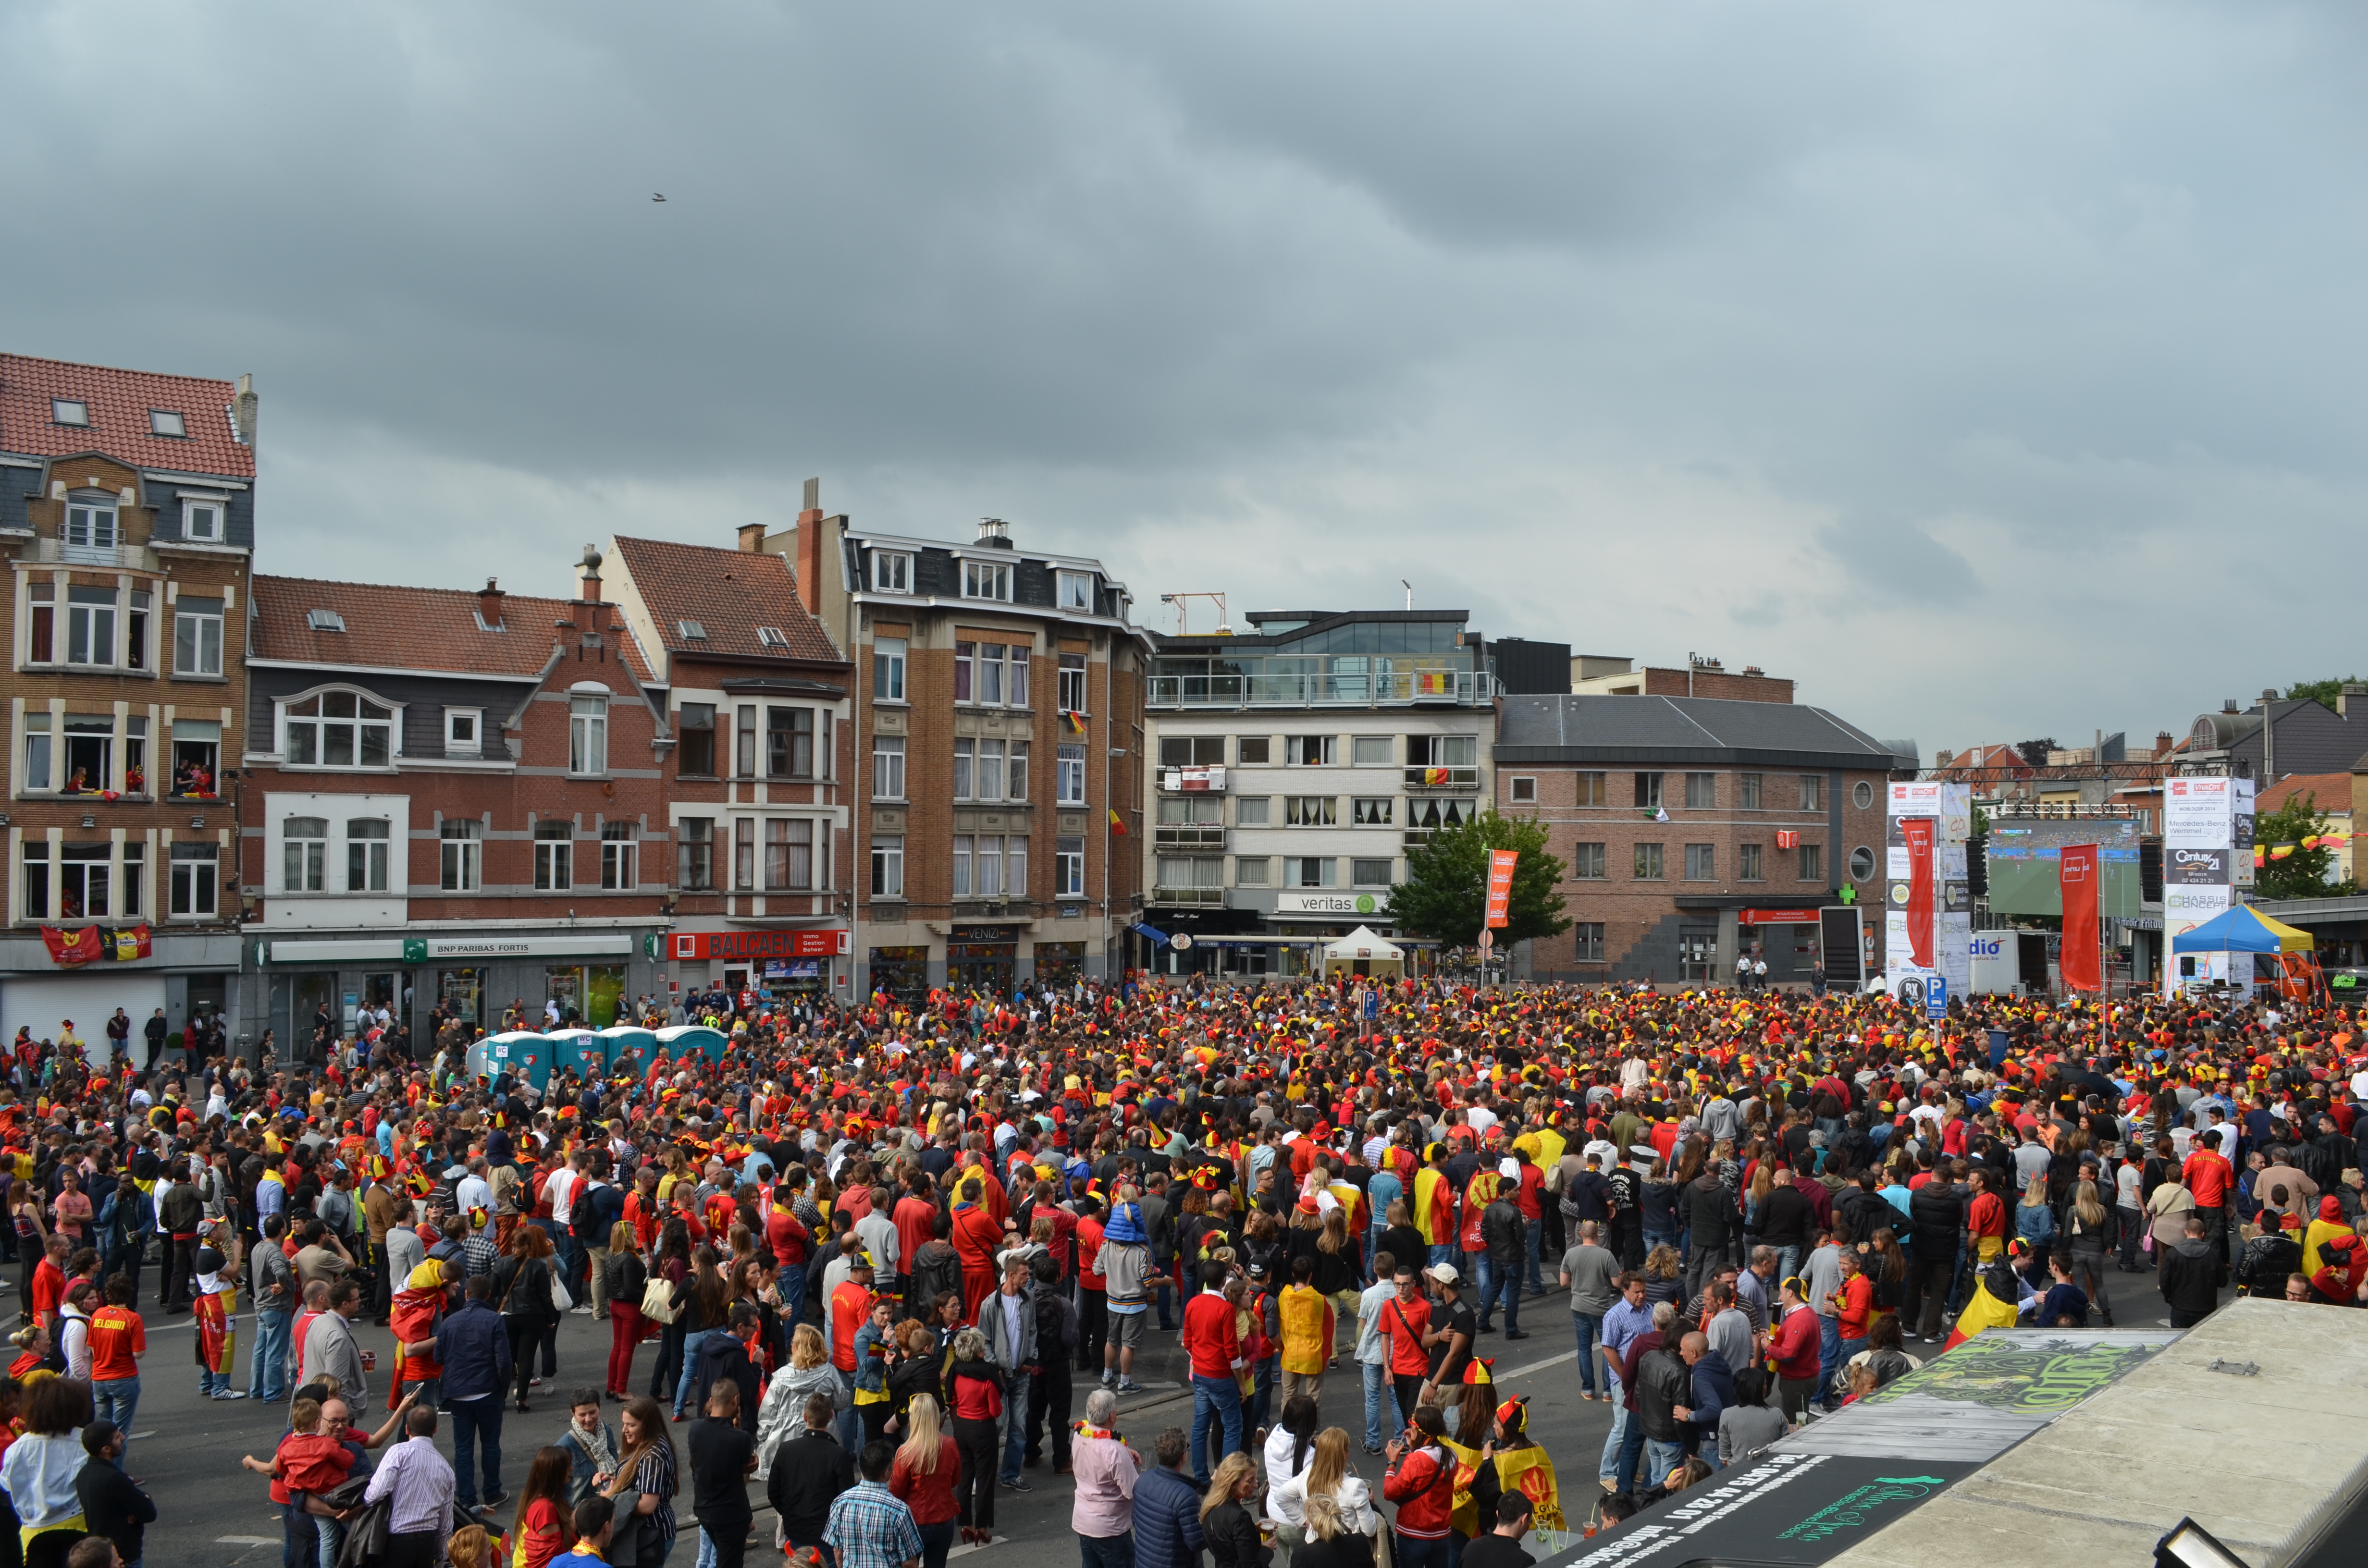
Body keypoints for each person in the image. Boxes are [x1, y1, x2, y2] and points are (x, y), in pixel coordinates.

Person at [437, 1272, 516, 1515]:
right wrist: (502, 1389)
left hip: (458, 1394)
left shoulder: (449, 1322)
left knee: (463, 1448)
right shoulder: (494, 1320)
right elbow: (503, 1360)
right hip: (488, 1392)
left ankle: (468, 1496)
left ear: (467, 1294)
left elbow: (438, 1357)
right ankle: (492, 1491)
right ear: (489, 1295)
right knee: (490, 1444)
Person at [364, 1405, 459, 1568]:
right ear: (435, 1429)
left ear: (407, 1429)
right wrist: (443, 1555)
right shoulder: (446, 1469)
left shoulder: (398, 1453)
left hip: (396, 1539)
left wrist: (363, 1501)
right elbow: (446, 1521)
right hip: (427, 1542)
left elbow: (376, 1493)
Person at [769, 1390, 855, 1563]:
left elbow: (773, 1492)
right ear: (831, 1416)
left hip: (795, 1532)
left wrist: (789, 1514)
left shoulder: (786, 1450)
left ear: (805, 1417)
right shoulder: (838, 1455)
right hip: (826, 1537)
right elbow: (846, 1500)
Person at [686, 1384, 757, 1568]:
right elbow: (743, 1466)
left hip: (704, 1510)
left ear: (711, 1400)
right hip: (730, 1515)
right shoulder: (740, 1439)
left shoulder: (695, 1428)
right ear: (736, 1401)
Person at [823, 1439, 924, 1568]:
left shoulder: (840, 1503)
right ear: (887, 1473)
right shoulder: (899, 1511)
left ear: (861, 1467)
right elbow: (909, 1562)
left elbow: (837, 1550)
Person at [604, 1397, 679, 1568]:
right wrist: (614, 1480)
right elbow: (636, 1478)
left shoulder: (652, 1457)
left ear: (647, 1425)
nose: (624, 1430)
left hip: (650, 1534)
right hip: (651, 1532)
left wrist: (610, 1498)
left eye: (631, 1425)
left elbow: (647, 1505)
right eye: (624, 1424)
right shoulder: (651, 1445)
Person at [1071, 1387, 1140, 1568]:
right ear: (1112, 1417)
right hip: (1110, 1530)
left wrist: (1125, 1451)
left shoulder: (1079, 1435)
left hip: (1083, 1522)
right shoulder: (1114, 1451)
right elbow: (1132, 1491)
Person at [888, 1394, 959, 1568]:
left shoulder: (905, 1452)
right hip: (944, 1519)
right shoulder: (950, 1444)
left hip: (915, 1522)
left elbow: (896, 1492)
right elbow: (955, 1480)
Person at [1381, 1406, 1455, 1568]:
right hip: (1442, 1535)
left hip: (1414, 1536)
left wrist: (1392, 1463)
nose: (1409, 1429)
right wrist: (1415, 1447)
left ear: (1420, 1431)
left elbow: (1389, 1491)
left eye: (1412, 1426)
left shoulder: (1416, 1460)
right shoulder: (1451, 1456)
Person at [75, 1421, 153, 1568]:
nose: (123, 1438)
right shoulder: (114, 1479)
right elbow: (149, 1513)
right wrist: (145, 1500)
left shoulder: (84, 1474)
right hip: (124, 1554)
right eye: (117, 1437)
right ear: (106, 1449)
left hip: (102, 1552)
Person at [1131, 1428, 1209, 1568]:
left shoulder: (1142, 1480)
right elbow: (1196, 1542)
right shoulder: (1186, 1496)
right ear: (1183, 1457)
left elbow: (1136, 1521)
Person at [85, 1277, 144, 1454]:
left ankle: (104, 1468)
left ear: (108, 1294)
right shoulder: (132, 1319)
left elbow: (92, 1347)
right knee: (120, 1433)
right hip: (124, 1378)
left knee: (105, 1430)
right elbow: (138, 1353)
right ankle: (117, 1474)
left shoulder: (97, 1315)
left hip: (99, 1379)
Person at [1200, 1452, 1270, 1568]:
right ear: (1233, 1482)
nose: (1256, 1485)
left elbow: (1226, 1541)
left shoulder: (1209, 1507)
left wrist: (1251, 1530)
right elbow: (1250, 1566)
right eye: (1250, 1480)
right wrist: (1268, 1549)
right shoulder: (1240, 1517)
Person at [512, 1446, 576, 1568]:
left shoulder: (536, 1498)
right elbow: (554, 1558)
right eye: (567, 1467)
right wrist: (576, 1519)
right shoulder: (545, 1510)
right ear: (555, 1474)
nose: (572, 1469)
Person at [560, 1390, 624, 1509]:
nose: (588, 1419)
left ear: (599, 1408)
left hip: (607, 1505)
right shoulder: (565, 1446)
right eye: (582, 1415)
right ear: (573, 1414)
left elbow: (616, 1462)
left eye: (593, 1412)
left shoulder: (606, 1431)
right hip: (580, 1513)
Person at [1456, 1496, 1534, 1568]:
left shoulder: (1470, 1548)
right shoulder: (1526, 1562)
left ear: (1498, 1514)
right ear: (1524, 1519)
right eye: (1530, 1521)